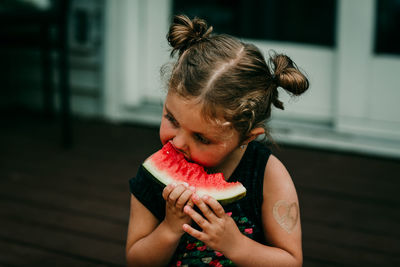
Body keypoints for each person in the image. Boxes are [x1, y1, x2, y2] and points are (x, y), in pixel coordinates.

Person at [126, 14, 309, 267]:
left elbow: (291, 262)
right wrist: (170, 228)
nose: (178, 143)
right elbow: (136, 261)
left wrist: (236, 245)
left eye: (201, 137)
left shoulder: (268, 176)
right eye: (172, 119)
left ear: (247, 137)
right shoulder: (151, 176)